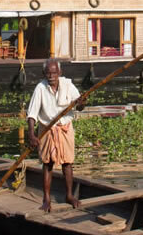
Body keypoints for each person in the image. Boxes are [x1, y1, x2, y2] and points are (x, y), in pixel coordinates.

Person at [26, 59, 87, 212]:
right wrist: (32, 135)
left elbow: (79, 106)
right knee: (47, 164)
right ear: (44, 74)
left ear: (60, 73)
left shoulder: (68, 85)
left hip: (65, 128)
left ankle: (69, 195)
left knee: (67, 163)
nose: (51, 76)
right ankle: (46, 199)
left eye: (54, 73)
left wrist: (81, 103)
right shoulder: (40, 88)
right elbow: (32, 114)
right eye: (48, 73)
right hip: (47, 129)